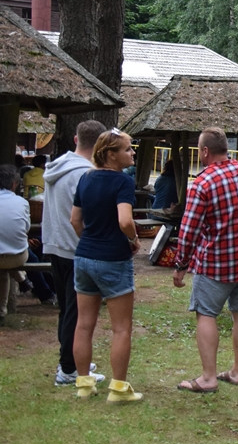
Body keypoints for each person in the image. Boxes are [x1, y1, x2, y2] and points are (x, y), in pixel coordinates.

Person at [172, 127, 238, 393]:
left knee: (206, 314)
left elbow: (189, 228)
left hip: (215, 263)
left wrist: (181, 265)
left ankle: (208, 378)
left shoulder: (202, 182)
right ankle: (237, 372)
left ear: (205, 151)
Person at [70, 129, 143, 401]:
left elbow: (75, 220)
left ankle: (84, 384)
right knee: (121, 327)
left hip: (84, 256)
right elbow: (125, 220)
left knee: (84, 324)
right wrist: (134, 239)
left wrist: (89, 241)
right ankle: (119, 388)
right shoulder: (122, 182)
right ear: (111, 154)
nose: (132, 152)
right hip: (112, 258)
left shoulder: (85, 179)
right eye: (127, 149)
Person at [41, 120, 107, 385]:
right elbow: (85, 215)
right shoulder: (86, 173)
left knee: (67, 309)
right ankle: (69, 368)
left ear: (75, 139)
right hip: (77, 247)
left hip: (54, 243)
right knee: (76, 313)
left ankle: (72, 357)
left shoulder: (57, 167)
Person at [0, 166, 32, 327]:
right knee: (10, 262)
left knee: (2, 270)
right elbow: (25, 229)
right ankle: (22, 277)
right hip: (16, 256)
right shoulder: (22, 202)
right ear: (14, 184)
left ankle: (1, 312)